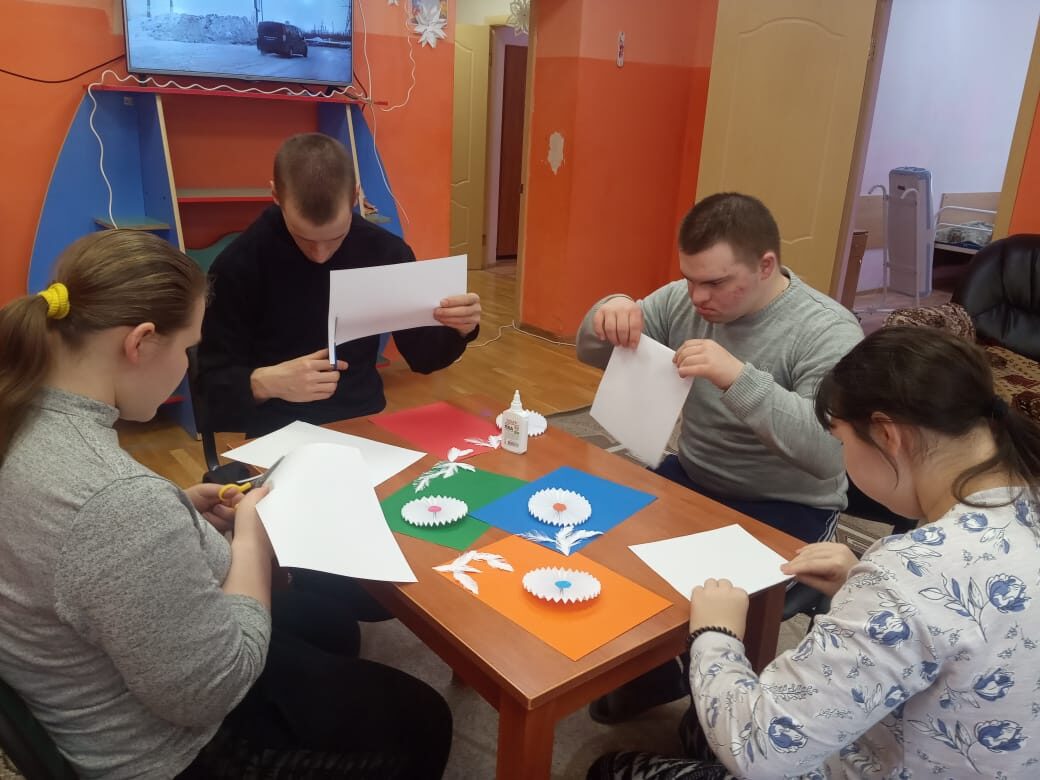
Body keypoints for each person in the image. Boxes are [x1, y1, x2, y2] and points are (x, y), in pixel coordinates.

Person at [0, 230, 452, 778]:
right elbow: (211, 691)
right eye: (187, 349)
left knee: (329, 627)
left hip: (88, 680)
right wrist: (251, 541)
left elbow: (89, 547)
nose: (187, 365)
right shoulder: (114, 501)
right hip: (169, 752)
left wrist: (177, 511)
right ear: (141, 343)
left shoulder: (24, 417)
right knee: (425, 719)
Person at [588, 326, 1040, 779]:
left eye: (841, 442)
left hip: (860, 764)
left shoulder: (909, 574)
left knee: (614, 768)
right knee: (704, 728)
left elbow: (761, 752)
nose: (842, 456)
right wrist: (860, 584)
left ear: (887, 435)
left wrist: (715, 634)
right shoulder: (1016, 508)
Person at [577, 192, 863, 722]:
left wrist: (737, 378)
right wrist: (606, 315)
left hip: (789, 504)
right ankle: (659, 673)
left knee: (716, 598)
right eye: (689, 278)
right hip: (694, 475)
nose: (697, 296)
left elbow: (829, 456)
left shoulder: (829, 330)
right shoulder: (683, 300)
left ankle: (723, 705)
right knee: (600, 545)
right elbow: (592, 352)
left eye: (715, 282)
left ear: (766, 266)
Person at [197, 132, 482, 439]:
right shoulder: (238, 264)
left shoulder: (385, 253)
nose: (320, 255)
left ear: (355, 196)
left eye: (335, 237)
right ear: (276, 196)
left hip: (363, 418)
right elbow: (210, 390)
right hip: (277, 428)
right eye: (304, 237)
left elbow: (425, 357)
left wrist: (460, 327)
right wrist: (263, 383)